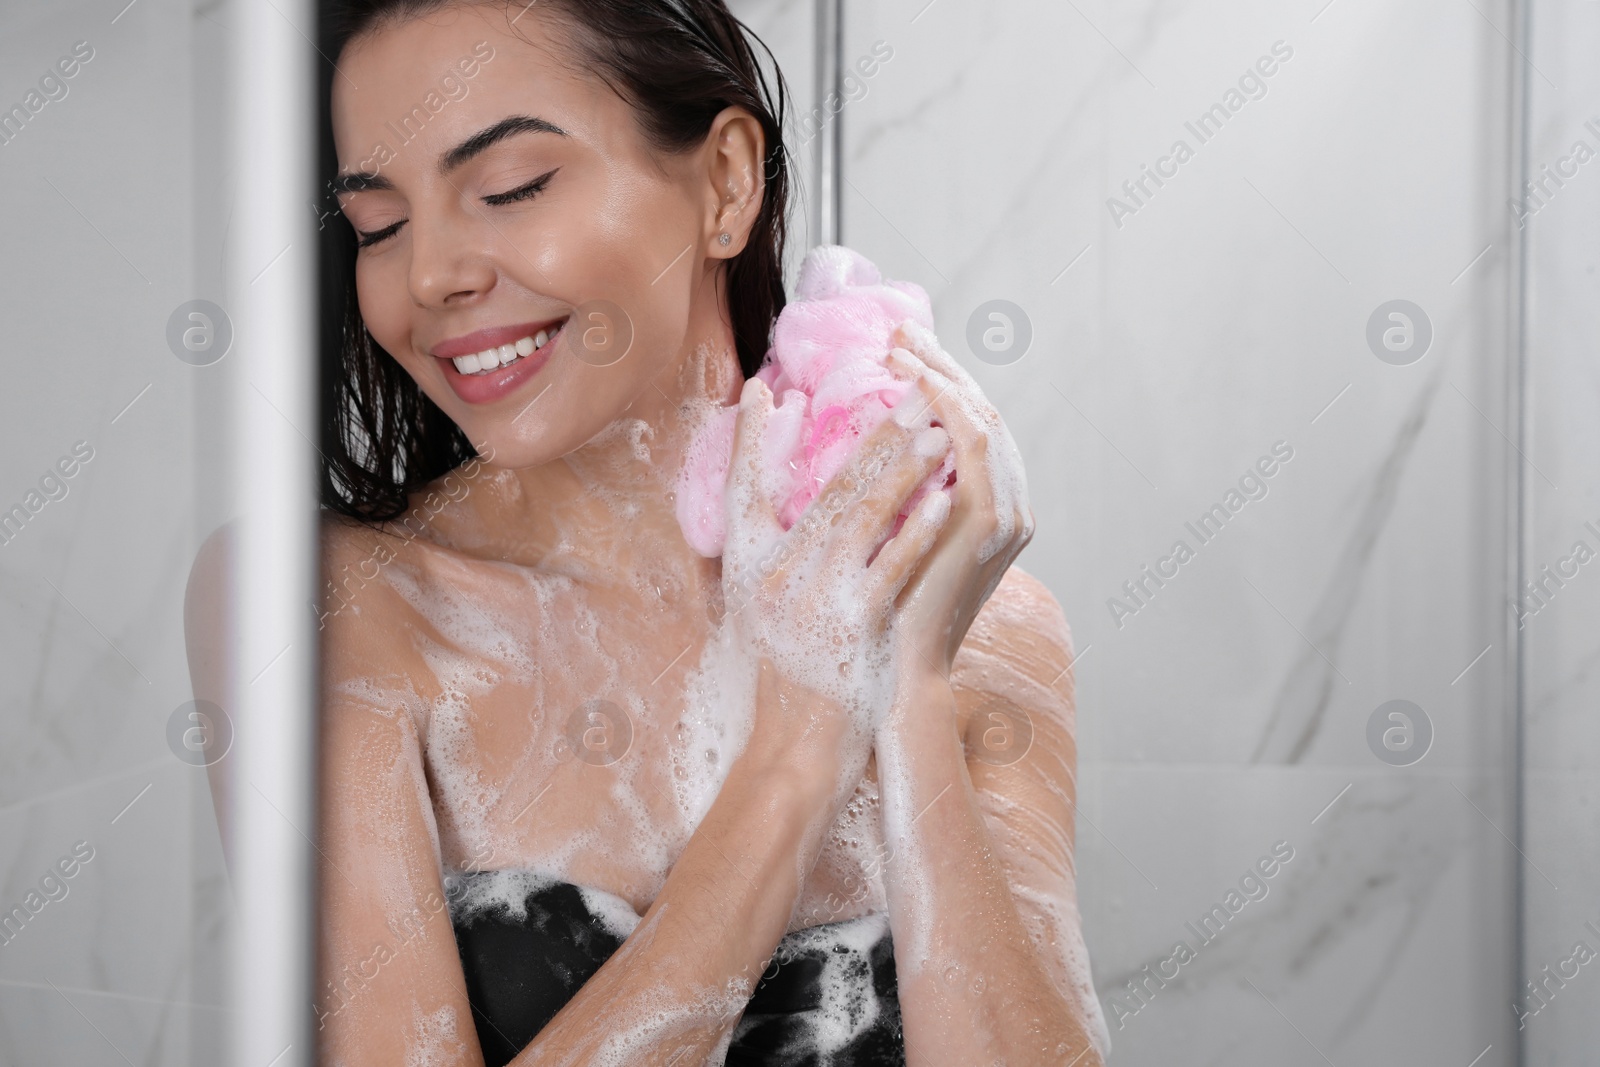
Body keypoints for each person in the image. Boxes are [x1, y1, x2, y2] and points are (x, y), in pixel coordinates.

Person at [188, 1, 1108, 1062]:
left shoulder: (981, 625)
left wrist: (904, 689)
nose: (431, 274)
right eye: (379, 227)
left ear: (724, 183)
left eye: (510, 187)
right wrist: (798, 746)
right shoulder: (331, 608)